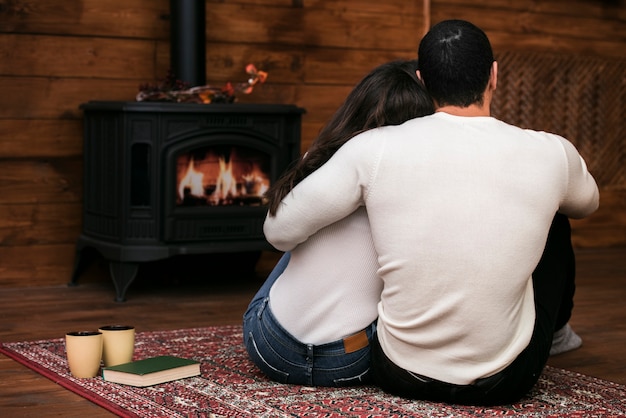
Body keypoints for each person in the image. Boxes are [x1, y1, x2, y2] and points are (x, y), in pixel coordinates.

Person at [262, 19, 599, 405]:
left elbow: (279, 232)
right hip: (504, 381)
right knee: (556, 214)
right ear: (494, 75)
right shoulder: (552, 152)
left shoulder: (374, 147)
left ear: (421, 80)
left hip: (399, 373)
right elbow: (588, 203)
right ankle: (556, 335)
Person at [243, 60, 435, 386]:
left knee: (296, 232)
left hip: (270, 347)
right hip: (350, 360)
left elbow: (276, 236)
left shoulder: (324, 160)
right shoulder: (424, 183)